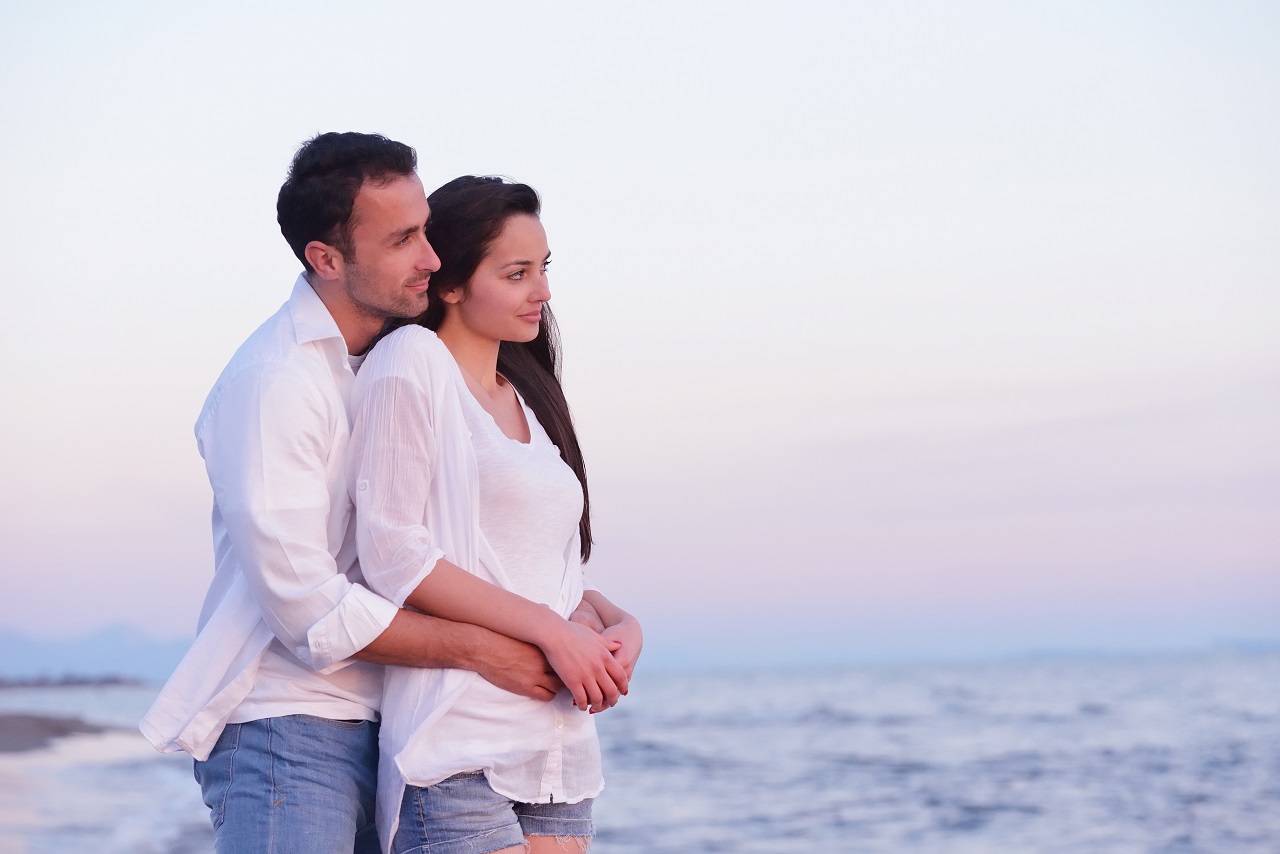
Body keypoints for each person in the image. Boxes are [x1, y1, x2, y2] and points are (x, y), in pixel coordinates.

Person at [140, 135, 587, 854]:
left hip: (390, 717)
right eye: (405, 238)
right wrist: (479, 649)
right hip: (289, 723)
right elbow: (307, 610)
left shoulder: (395, 363)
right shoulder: (275, 382)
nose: (433, 257)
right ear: (327, 259)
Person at [348, 175, 642, 853]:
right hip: (458, 740)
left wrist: (611, 625)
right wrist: (550, 631)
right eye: (515, 273)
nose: (541, 291)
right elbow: (393, 555)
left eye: (542, 270)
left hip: (556, 744)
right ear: (448, 283)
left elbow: (536, 569)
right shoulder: (411, 362)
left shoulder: (530, 398)